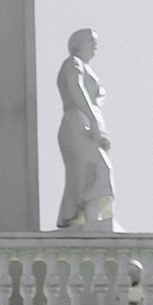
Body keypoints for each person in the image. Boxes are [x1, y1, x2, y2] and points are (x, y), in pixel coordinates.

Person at [54, 27, 115, 234]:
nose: (95, 44)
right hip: (77, 122)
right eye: (90, 40)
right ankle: (84, 218)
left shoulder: (87, 68)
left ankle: (90, 218)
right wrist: (93, 119)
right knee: (92, 168)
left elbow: (96, 98)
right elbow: (76, 88)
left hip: (89, 123)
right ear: (77, 43)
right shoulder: (73, 63)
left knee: (93, 170)